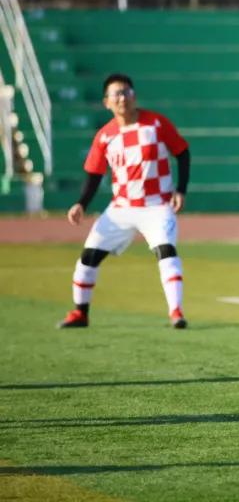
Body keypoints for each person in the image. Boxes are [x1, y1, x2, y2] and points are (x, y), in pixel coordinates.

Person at [58, 73, 191, 329]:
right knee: (88, 258)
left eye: (127, 92)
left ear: (134, 96)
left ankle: (176, 312)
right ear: (106, 102)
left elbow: (183, 153)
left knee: (166, 251)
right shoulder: (105, 136)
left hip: (156, 205)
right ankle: (80, 313)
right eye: (116, 94)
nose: (123, 98)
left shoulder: (156, 124)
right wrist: (81, 203)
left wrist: (181, 190)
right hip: (121, 208)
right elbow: (95, 173)